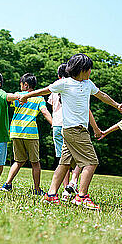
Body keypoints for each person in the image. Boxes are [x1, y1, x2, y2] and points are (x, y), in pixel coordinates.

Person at [19, 53, 122, 210]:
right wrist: (27, 96)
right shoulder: (64, 83)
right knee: (91, 162)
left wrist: (117, 105)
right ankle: (81, 197)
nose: (90, 72)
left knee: (64, 163)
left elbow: (102, 95)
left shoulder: (88, 84)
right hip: (74, 129)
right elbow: (44, 91)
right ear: (82, 69)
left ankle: (51, 195)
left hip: (75, 130)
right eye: (89, 69)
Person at [1, 73, 52, 195]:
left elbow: (6, 100)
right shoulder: (39, 98)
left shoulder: (17, 96)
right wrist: (53, 123)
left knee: (18, 160)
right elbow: (45, 112)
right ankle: (36, 189)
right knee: (35, 162)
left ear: (25, 85)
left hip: (15, 132)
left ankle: (7, 184)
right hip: (30, 133)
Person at [47, 63, 82, 200]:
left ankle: (65, 190)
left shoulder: (55, 86)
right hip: (70, 123)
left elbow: (53, 107)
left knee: (63, 159)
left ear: (58, 75)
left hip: (56, 125)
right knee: (82, 156)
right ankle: (73, 182)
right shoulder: (74, 85)